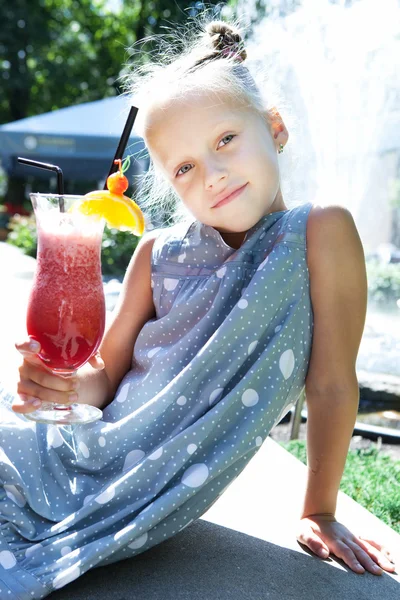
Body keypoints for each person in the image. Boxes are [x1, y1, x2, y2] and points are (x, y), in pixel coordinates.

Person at [1, 16, 397, 599]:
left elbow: (333, 383)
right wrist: (64, 388)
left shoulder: (319, 232)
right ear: (168, 182)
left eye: (225, 141)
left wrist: (319, 509)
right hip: (82, 451)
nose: (211, 175)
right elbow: (105, 376)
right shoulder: (155, 252)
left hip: (136, 486)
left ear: (275, 128)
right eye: (184, 167)